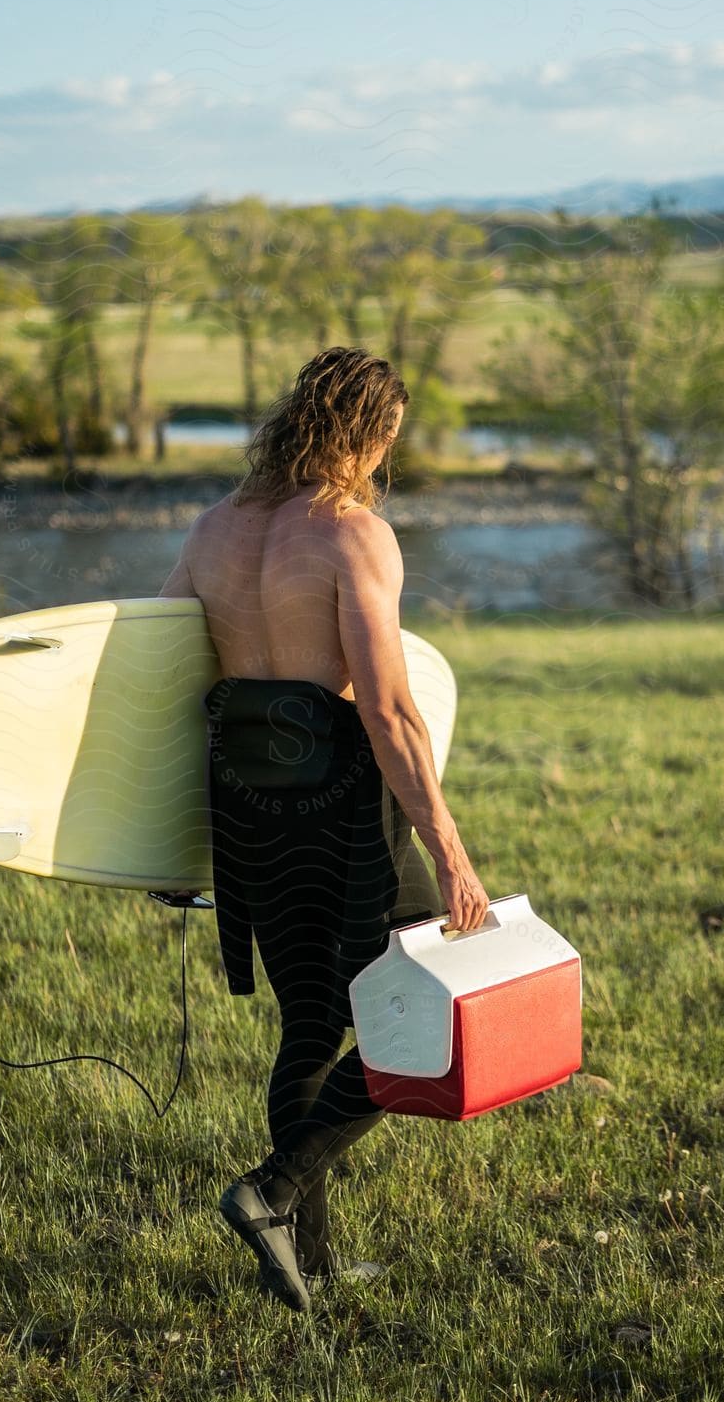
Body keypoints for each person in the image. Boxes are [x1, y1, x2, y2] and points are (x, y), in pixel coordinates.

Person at [156, 347, 490, 1311]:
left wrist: (162, 838)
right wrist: (451, 853)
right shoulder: (354, 535)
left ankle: (313, 1261)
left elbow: (163, 681)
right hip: (342, 799)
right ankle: (273, 1192)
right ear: (372, 434)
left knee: (310, 1024)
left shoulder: (213, 529)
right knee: (430, 1002)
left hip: (248, 801)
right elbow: (390, 712)